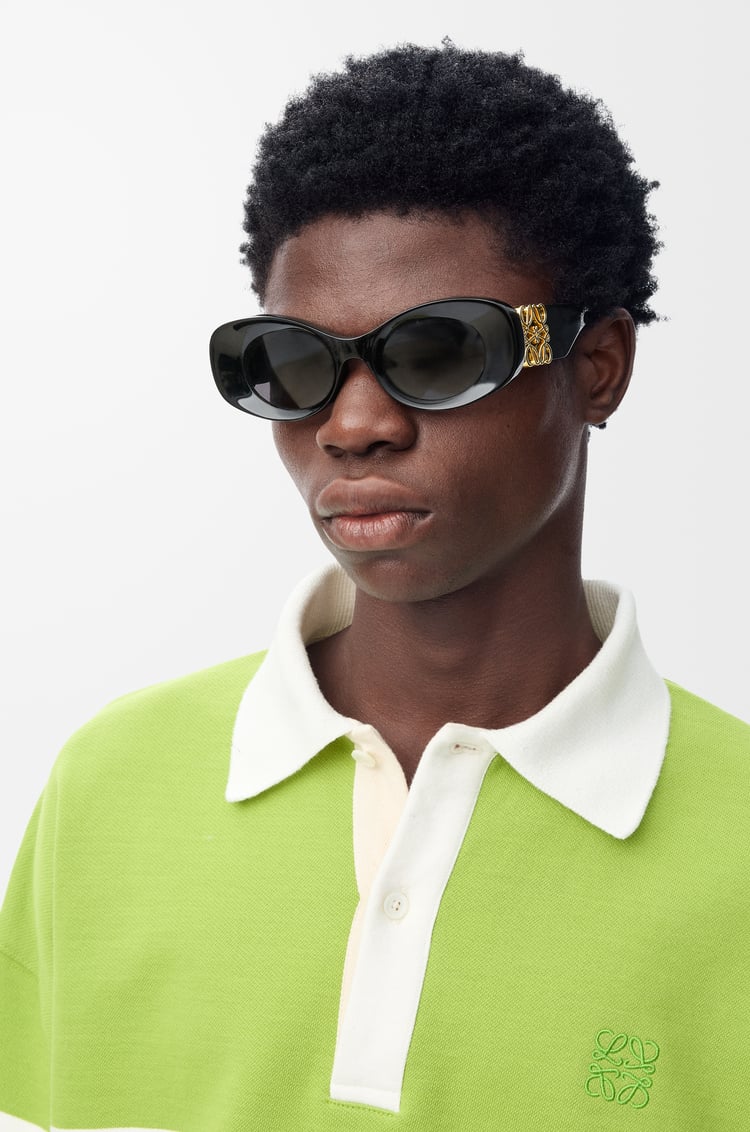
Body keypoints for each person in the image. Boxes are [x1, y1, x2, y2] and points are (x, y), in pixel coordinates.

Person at [1, 41, 748, 1132]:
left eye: (438, 352)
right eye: (294, 361)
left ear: (597, 368)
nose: (352, 426)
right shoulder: (109, 787)